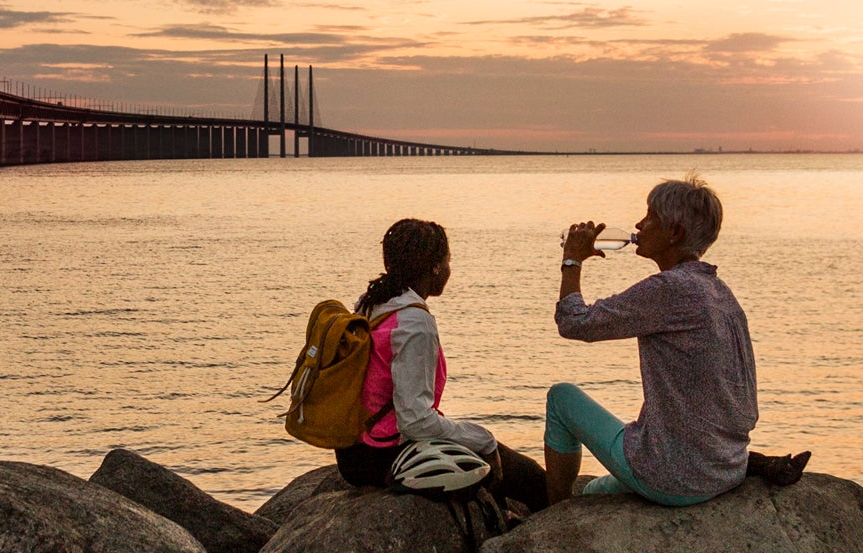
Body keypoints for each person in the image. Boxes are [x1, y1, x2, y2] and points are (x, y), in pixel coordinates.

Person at [546, 176, 807, 506]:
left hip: (674, 477)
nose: (639, 224)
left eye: (650, 216)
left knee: (561, 399)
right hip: (726, 468)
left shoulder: (668, 289)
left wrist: (572, 259)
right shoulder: (720, 293)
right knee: (593, 490)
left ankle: (549, 514)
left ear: (676, 233)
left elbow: (573, 322)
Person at [340, 217, 549, 511]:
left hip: (354, 453)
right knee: (533, 481)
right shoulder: (415, 323)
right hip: (383, 455)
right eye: (448, 260)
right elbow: (415, 422)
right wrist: (484, 439)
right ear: (435, 268)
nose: (450, 269)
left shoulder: (372, 302)